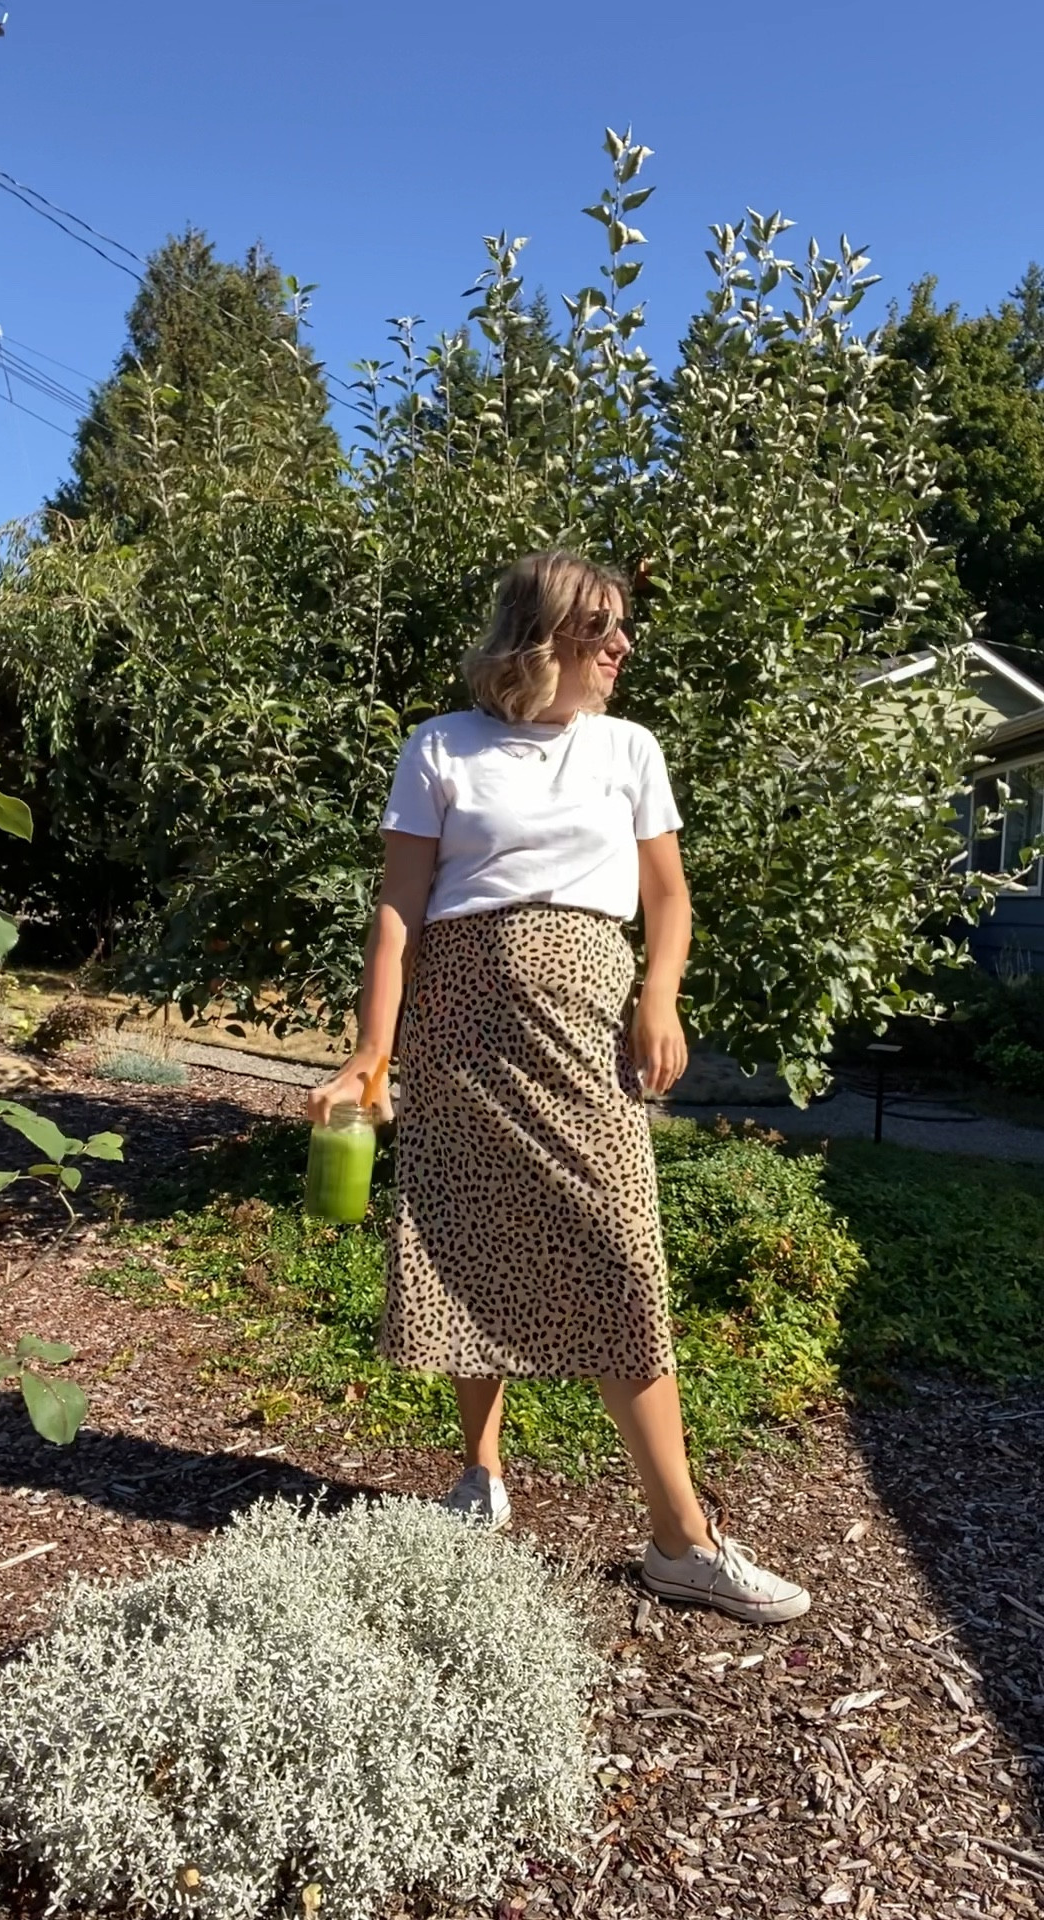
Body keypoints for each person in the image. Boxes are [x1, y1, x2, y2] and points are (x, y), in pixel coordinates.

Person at [308, 550, 810, 1624]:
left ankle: (681, 1537)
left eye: (624, 629)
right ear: (542, 638)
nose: (624, 647)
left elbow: (667, 897)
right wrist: (372, 1046)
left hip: (582, 1025)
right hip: (455, 1026)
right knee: (462, 1233)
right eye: (604, 629)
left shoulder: (629, 749)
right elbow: (398, 909)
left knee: (619, 1250)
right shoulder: (441, 746)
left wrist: (659, 998)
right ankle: (480, 1477)